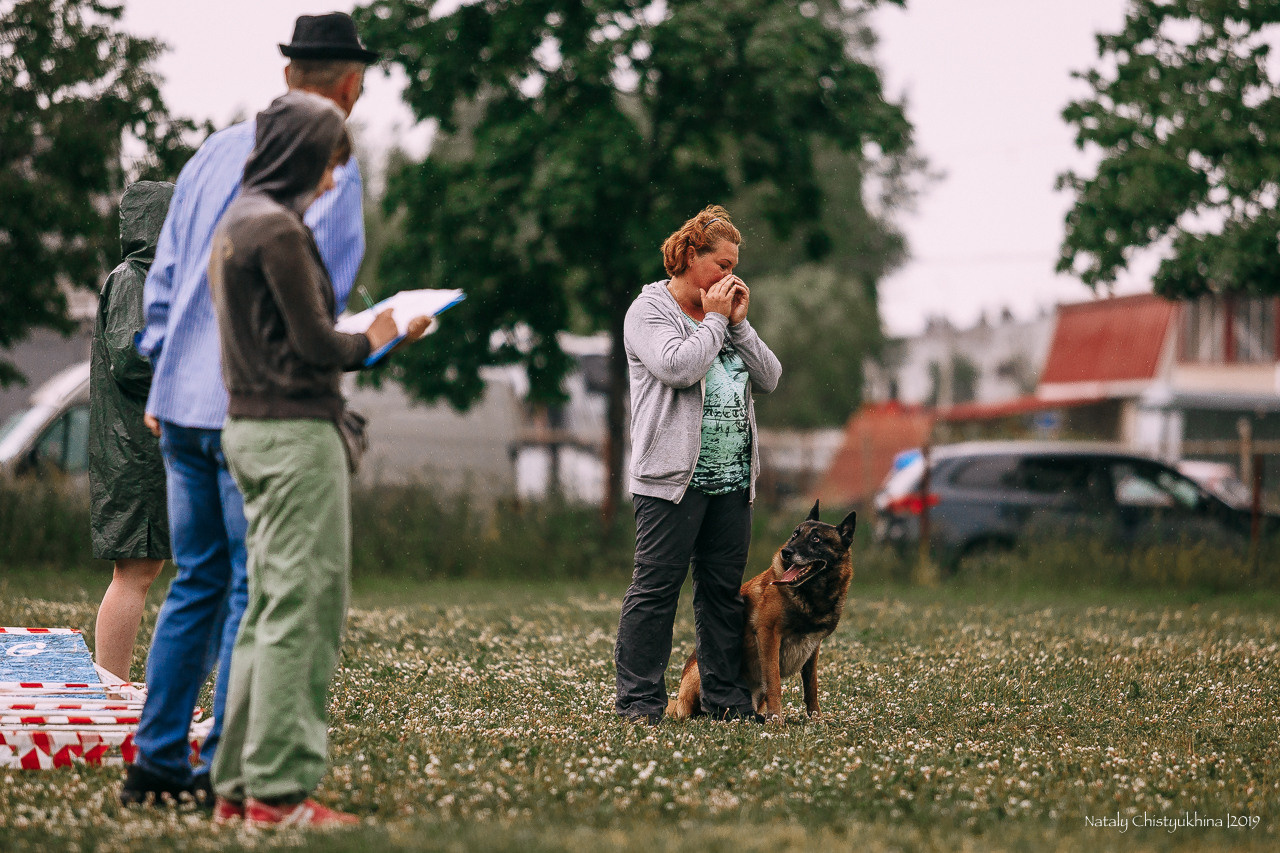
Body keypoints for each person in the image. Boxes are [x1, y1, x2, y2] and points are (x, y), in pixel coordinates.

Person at [123, 13, 378, 807]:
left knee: (195, 579)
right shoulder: (327, 168)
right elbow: (317, 311)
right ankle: (228, 769)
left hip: (180, 402)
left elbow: (164, 273)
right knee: (258, 587)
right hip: (258, 405)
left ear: (287, 74)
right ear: (348, 85)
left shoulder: (208, 154)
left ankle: (157, 758)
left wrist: (163, 371)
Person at [207, 92, 428, 826]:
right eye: (330, 163)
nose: (332, 181)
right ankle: (277, 792)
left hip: (247, 428)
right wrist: (381, 333)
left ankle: (237, 784)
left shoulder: (237, 221)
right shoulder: (279, 229)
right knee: (303, 612)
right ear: (302, 155)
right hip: (297, 436)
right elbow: (316, 344)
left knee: (266, 608)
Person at [614, 205, 782, 724]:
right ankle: (639, 703)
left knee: (720, 596)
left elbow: (770, 376)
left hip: (731, 481)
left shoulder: (725, 321)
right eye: (721, 264)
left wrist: (740, 325)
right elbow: (679, 368)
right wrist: (713, 320)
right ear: (690, 256)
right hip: (670, 481)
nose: (730, 276)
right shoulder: (649, 312)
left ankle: (724, 698)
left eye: (735, 266)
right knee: (656, 589)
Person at [88, 181, 174, 683]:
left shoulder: (145, 279)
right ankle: (111, 684)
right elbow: (130, 358)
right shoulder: (135, 280)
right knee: (134, 572)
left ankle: (113, 681)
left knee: (144, 569)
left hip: (139, 448)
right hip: (132, 451)